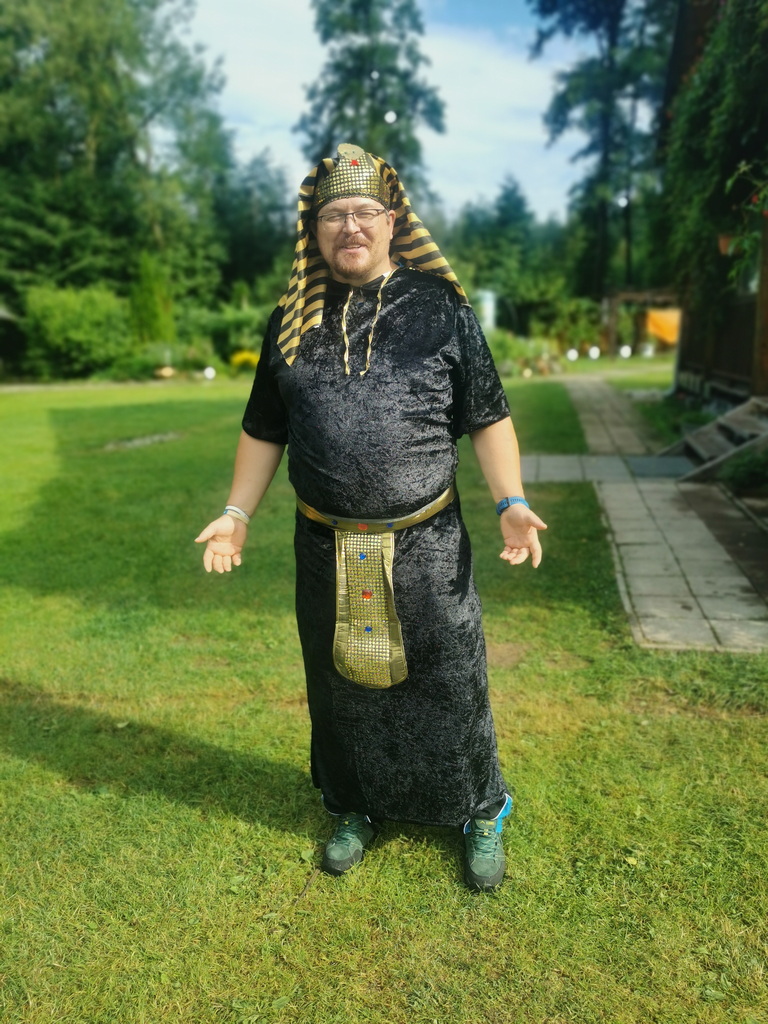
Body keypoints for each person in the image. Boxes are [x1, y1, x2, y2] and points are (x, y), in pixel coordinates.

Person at [195, 144, 547, 891]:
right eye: (333, 215)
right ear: (315, 229)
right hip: (324, 545)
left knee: (449, 679)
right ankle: (356, 804)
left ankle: (479, 810)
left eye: (362, 212)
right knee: (341, 688)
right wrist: (235, 513)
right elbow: (264, 429)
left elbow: (487, 415)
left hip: (428, 544)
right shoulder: (291, 321)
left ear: (392, 221)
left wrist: (511, 502)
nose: (348, 226)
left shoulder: (441, 309)